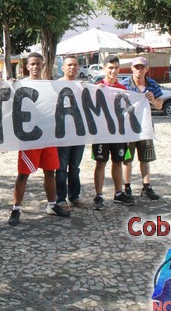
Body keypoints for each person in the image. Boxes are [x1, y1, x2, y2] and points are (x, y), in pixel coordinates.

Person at [8, 53, 69, 226]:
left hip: (48, 135)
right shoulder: (20, 84)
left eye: (38, 64)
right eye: (32, 64)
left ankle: (52, 205)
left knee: (50, 171)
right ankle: (16, 209)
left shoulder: (49, 85)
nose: (35, 67)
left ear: (43, 65)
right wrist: (5, 83)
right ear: (27, 66)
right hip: (29, 137)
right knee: (23, 174)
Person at [91, 55, 134, 210]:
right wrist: (95, 93)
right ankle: (99, 195)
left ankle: (118, 193)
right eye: (110, 68)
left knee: (117, 162)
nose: (113, 71)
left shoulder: (122, 89)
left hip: (118, 133)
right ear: (104, 68)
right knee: (101, 163)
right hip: (101, 133)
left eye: (116, 68)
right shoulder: (96, 87)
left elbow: (129, 109)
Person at [120, 57, 162, 201]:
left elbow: (160, 105)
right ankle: (127, 187)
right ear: (132, 68)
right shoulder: (124, 85)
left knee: (145, 158)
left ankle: (146, 186)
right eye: (136, 67)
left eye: (142, 67)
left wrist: (153, 100)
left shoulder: (152, 84)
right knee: (127, 159)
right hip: (128, 128)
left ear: (146, 69)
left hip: (145, 126)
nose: (139, 70)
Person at [55, 55, 86, 209]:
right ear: (63, 68)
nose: (72, 67)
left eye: (75, 65)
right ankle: (60, 198)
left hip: (79, 134)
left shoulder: (82, 86)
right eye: (69, 65)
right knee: (61, 168)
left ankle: (74, 196)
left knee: (75, 167)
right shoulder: (55, 85)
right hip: (62, 134)